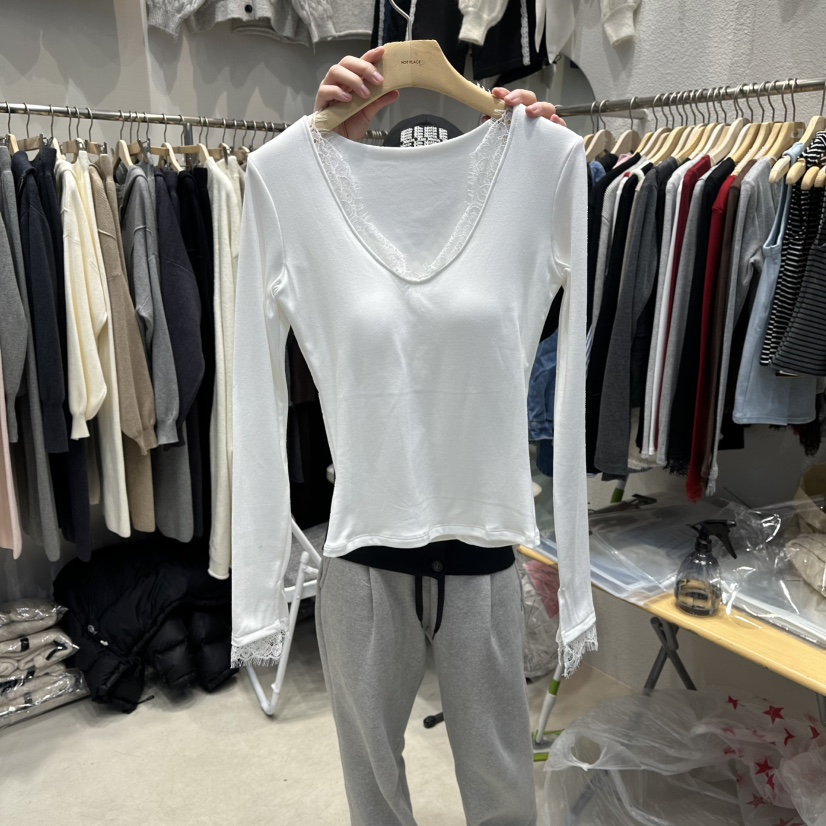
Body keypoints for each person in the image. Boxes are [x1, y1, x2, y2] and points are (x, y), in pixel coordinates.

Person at [311, 46, 569, 826]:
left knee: (502, 787)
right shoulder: (307, 185)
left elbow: (558, 336)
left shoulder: (531, 178)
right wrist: (329, 144)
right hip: (363, 554)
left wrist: (545, 175)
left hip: (481, 548)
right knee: (373, 791)